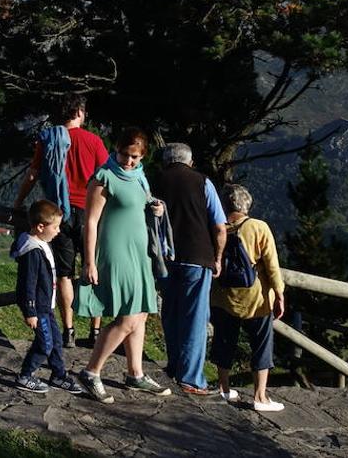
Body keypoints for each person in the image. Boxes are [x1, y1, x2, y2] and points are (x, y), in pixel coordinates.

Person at [73, 127, 172, 402]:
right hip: (116, 253)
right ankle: (92, 371)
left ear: (142, 157)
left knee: (140, 312)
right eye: (125, 155)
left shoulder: (139, 176)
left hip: (139, 254)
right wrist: (89, 262)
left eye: (135, 157)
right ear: (115, 149)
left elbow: (142, 204)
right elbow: (90, 222)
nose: (128, 161)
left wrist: (157, 208)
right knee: (128, 317)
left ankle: (135, 374)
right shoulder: (103, 177)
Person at [12, 94, 107, 347]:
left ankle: (69, 330)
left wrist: (18, 203)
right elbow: (108, 178)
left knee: (64, 274)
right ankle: (95, 331)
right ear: (79, 112)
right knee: (92, 268)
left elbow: (33, 175)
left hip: (58, 215)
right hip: (90, 214)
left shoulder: (48, 139)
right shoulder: (94, 141)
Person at [154, 142, 228, 395]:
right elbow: (219, 226)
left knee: (171, 314)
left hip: (164, 258)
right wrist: (218, 257)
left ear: (166, 161)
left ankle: (174, 366)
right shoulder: (203, 182)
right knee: (195, 319)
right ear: (190, 162)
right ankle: (192, 378)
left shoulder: (155, 181)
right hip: (197, 256)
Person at [211, 184, 287, 412]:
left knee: (224, 341)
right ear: (247, 204)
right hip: (257, 298)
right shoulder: (258, 227)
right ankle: (260, 397)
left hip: (223, 296)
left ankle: (224, 388)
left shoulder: (217, 227)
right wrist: (280, 294)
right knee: (261, 344)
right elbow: (272, 265)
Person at [11, 201, 86, 395]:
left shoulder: (42, 243)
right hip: (38, 307)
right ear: (40, 227)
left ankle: (58, 375)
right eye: (56, 227)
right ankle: (25, 375)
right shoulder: (32, 251)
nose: (58, 231)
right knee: (45, 344)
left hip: (46, 305)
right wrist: (30, 311)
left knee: (56, 342)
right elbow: (28, 283)